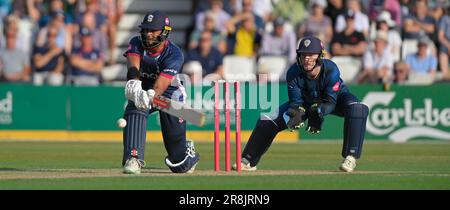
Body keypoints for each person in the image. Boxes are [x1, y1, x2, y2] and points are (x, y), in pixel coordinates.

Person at [233, 36, 369, 172]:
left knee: (358, 108)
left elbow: (330, 102)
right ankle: (248, 160)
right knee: (268, 119)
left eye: (311, 54)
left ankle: (350, 158)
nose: (306, 58)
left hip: (336, 100)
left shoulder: (330, 69)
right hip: (307, 102)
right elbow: (296, 102)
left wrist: (318, 113)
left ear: (320, 56)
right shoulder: (293, 72)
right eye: (303, 55)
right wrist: (297, 113)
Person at [122, 10, 200, 174]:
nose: (148, 34)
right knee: (135, 107)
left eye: (153, 30)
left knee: (179, 165)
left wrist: (149, 95)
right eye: (146, 30)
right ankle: (133, 158)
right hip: (144, 88)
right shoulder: (136, 42)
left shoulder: (174, 53)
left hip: (170, 96)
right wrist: (135, 86)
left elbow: (160, 86)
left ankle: (187, 151)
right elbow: (133, 65)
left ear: (164, 32)